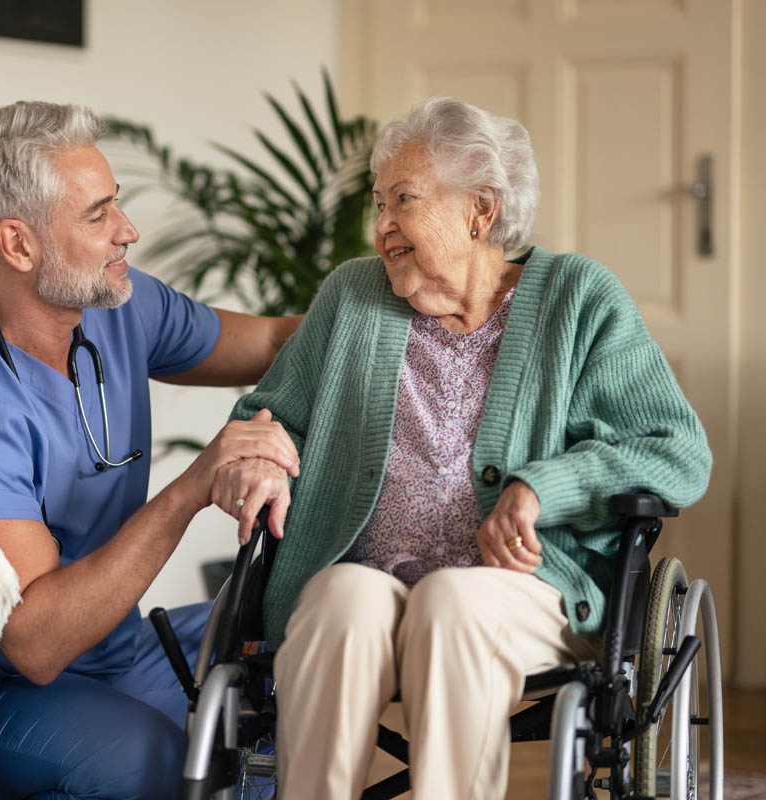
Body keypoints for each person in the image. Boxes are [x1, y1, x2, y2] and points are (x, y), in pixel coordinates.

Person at [211, 96, 712, 799]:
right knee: (336, 599)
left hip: (525, 592)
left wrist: (543, 487)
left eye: (403, 201)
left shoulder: (580, 299)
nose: (382, 226)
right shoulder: (351, 297)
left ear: (481, 209)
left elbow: (676, 450)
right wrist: (262, 455)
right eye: (379, 205)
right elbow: (271, 414)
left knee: (451, 602)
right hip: (368, 572)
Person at [0, 100, 302, 800]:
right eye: (98, 215)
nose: (128, 232)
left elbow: (271, 342)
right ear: (18, 245)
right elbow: (36, 645)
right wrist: (198, 480)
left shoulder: (118, 307)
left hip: (116, 651)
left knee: (303, 646)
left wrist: (397, 303)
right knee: (153, 761)